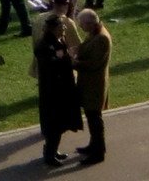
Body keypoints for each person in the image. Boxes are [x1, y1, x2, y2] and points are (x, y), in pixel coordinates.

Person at [32, 11, 80, 167]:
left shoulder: (59, 40)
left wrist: (64, 56)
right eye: (61, 26)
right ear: (53, 28)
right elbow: (49, 65)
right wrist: (63, 58)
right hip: (52, 92)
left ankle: (53, 150)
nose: (64, 28)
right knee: (54, 125)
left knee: (60, 124)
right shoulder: (44, 45)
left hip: (62, 89)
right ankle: (49, 154)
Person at [75, 9, 111, 166]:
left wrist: (73, 62)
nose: (81, 27)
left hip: (94, 84)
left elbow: (93, 64)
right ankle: (94, 146)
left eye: (82, 24)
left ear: (89, 23)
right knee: (92, 117)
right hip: (91, 83)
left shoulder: (101, 38)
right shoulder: (95, 33)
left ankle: (98, 152)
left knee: (95, 118)